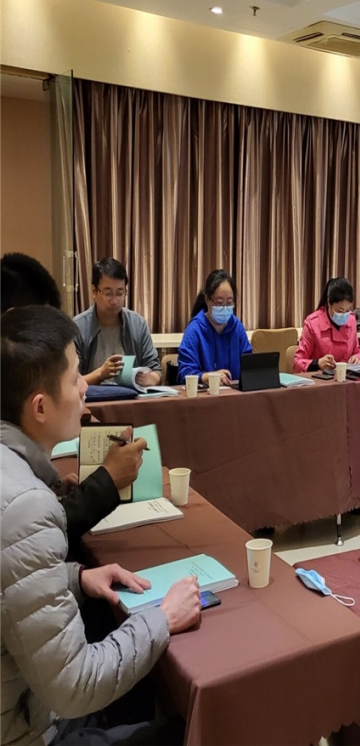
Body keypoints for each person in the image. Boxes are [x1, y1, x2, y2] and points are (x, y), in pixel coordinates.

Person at [1, 305, 202, 746]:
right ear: (40, 407)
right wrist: (162, 618)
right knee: (194, 729)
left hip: (25, 702)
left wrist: (73, 577)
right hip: (28, 729)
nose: (85, 388)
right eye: (75, 377)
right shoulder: (26, 506)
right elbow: (75, 685)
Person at [0, 253, 148, 545]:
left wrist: (48, 485)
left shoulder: (135, 324)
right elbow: (31, 530)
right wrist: (107, 480)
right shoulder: (22, 500)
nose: (82, 387)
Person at [74, 258, 161, 387]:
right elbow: (71, 383)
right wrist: (100, 374)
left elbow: (156, 371)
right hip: (92, 397)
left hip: (130, 397)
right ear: (94, 292)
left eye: (120, 293)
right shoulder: (78, 327)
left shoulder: (138, 324)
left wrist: (149, 379)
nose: (114, 301)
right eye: (108, 293)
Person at [177, 269, 252, 386]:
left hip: (235, 394)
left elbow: (249, 363)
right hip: (205, 395)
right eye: (220, 303)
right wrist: (207, 377)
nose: (225, 308)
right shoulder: (195, 330)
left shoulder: (237, 327)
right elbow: (184, 373)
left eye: (229, 303)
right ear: (208, 300)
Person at [293, 278, 360, 373]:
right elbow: (297, 363)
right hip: (320, 379)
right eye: (340, 311)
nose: (344, 315)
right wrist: (317, 363)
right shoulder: (313, 323)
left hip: (347, 377)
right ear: (329, 303)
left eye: (347, 310)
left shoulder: (351, 319)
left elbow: (357, 351)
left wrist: (357, 358)